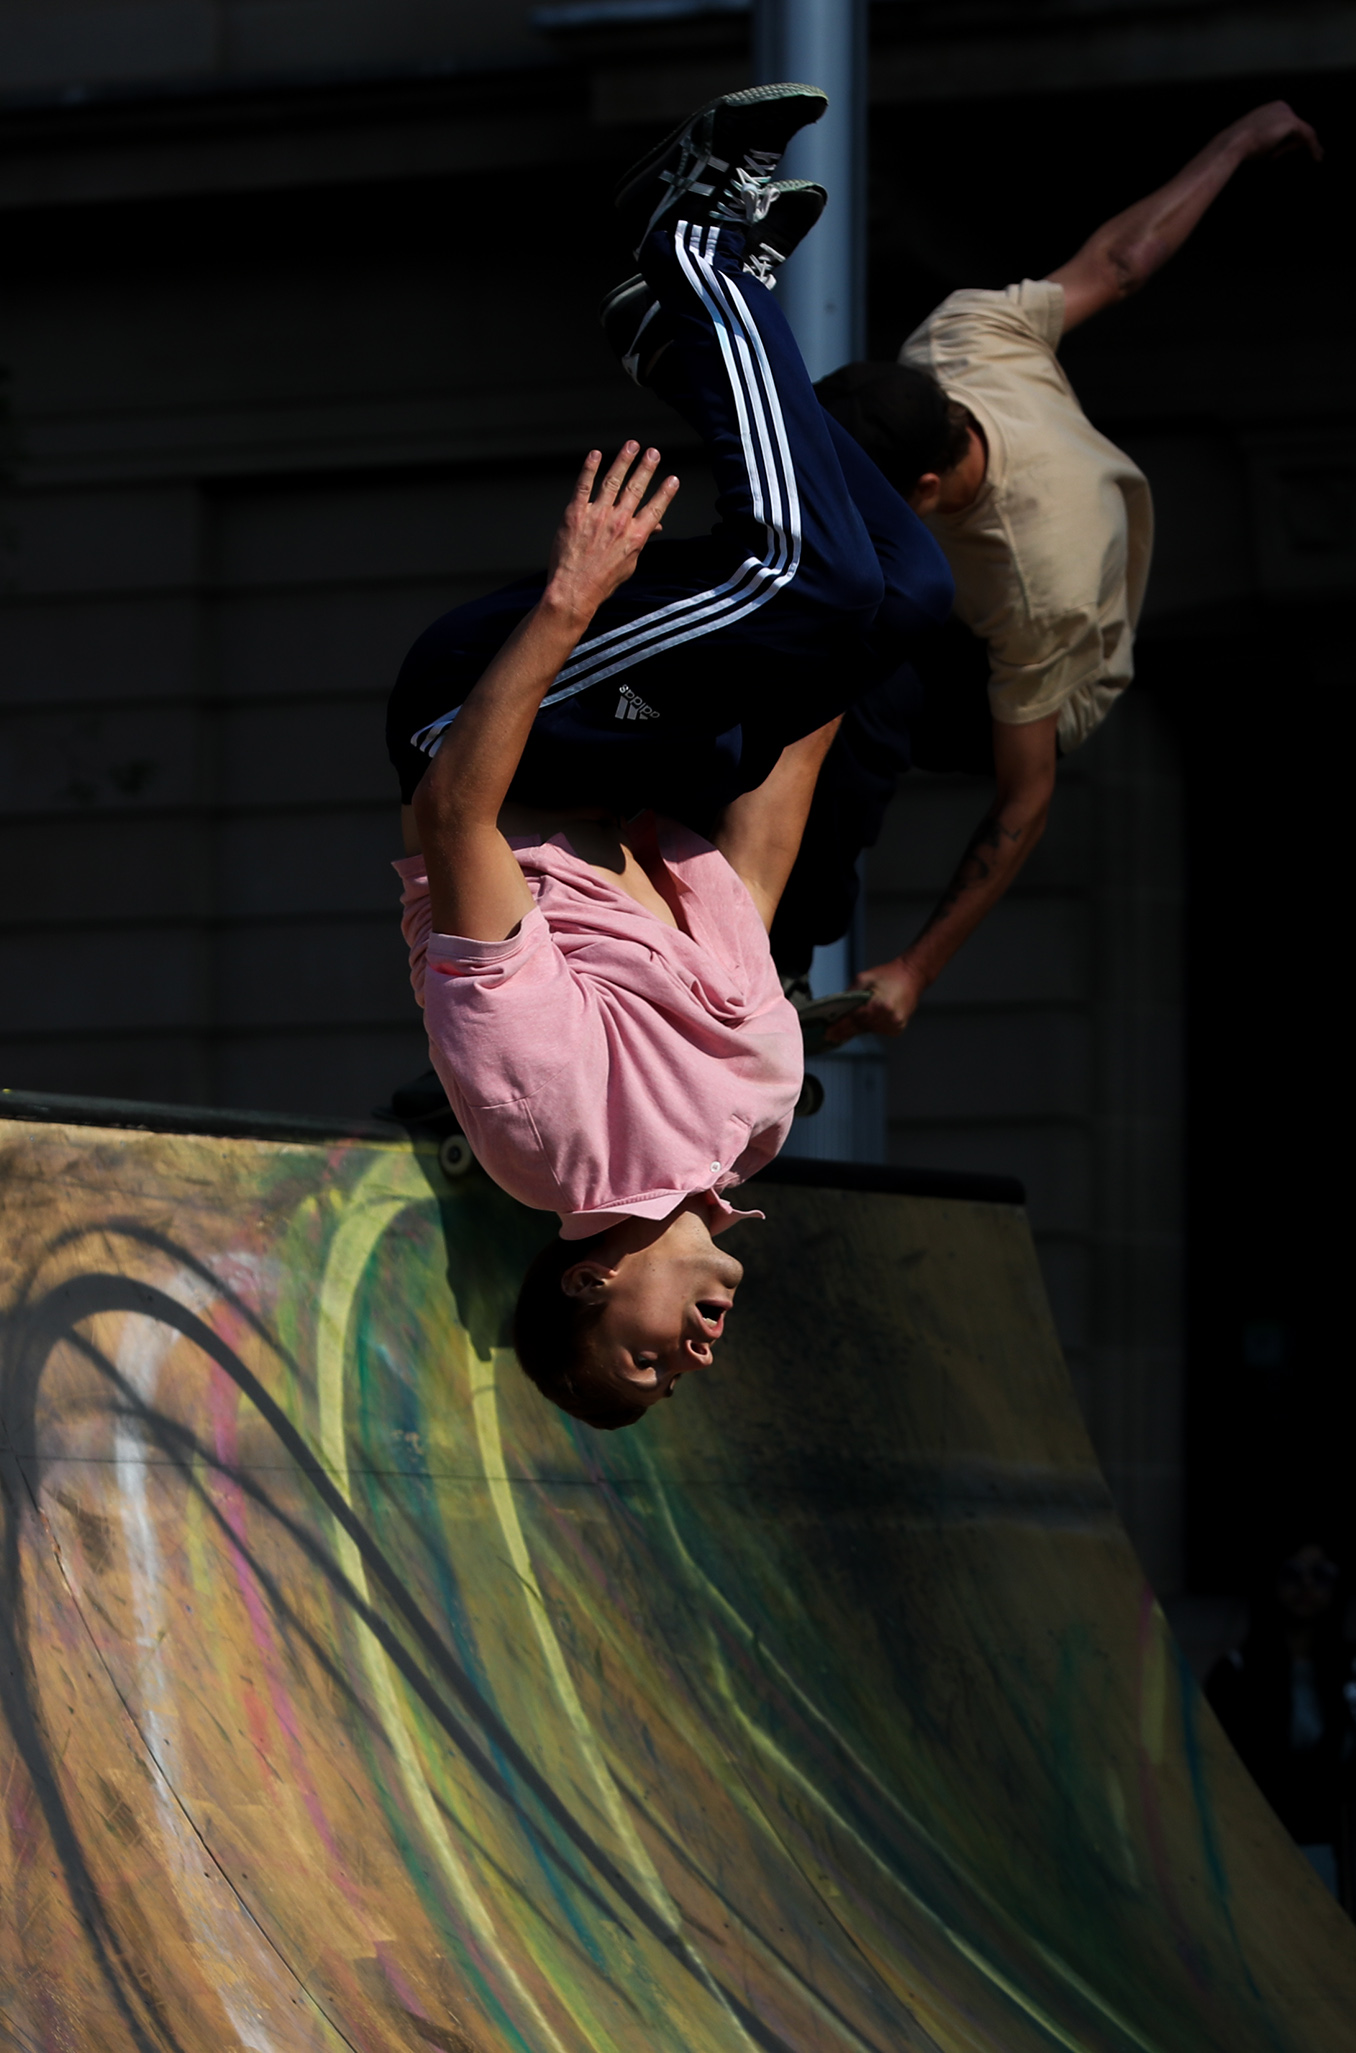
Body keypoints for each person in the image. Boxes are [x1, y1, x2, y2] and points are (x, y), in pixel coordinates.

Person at [389, 86, 958, 1431]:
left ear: (589, 1286)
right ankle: (703, 320)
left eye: (644, 1360)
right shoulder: (756, 1117)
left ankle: (689, 241)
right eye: (677, 1376)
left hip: (497, 726)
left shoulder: (543, 1139)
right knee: (901, 595)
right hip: (654, 757)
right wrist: (827, 667)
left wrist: (569, 603)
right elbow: (754, 858)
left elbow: (451, 821)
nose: (695, 1353)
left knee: (805, 577)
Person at [779, 101, 1323, 1033]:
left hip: (1039, 672)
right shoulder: (961, 340)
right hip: (962, 587)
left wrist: (916, 968)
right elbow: (1119, 264)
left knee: (864, 691)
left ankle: (774, 955)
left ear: (919, 490)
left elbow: (1023, 803)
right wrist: (1235, 141)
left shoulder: (1042, 584)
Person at [1203, 1536, 1356, 1929]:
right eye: (1291, 1574)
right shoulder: (1236, 1675)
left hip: (1338, 1850)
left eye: (1321, 1575)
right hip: (1258, 1853)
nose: (1306, 1587)